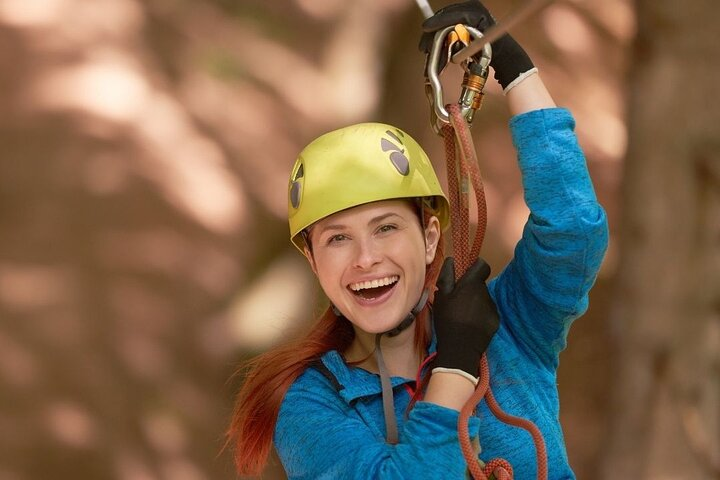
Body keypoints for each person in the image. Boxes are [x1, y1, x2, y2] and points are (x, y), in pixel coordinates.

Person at [227, 1, 608, 478]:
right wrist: (454, 368)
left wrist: (515, 70)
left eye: (386, 227)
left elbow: (573, 228)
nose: (366, 259)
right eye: (337, 239)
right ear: (313, 261)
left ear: (430, 238)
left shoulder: (509, 326)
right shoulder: (309, 403)